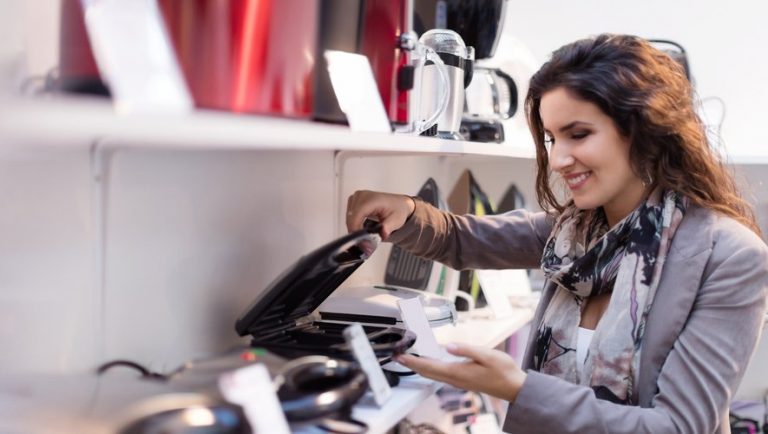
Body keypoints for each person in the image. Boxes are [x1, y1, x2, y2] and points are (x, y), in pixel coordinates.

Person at [345, 34, 768, 433]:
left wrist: (518, 389)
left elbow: (677, 427)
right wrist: (407, 211)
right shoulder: (574, 234)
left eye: (578, 134)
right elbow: (463, 238)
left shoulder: (730, 256)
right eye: (550, 138)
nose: (559, 159)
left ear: (645, 131)